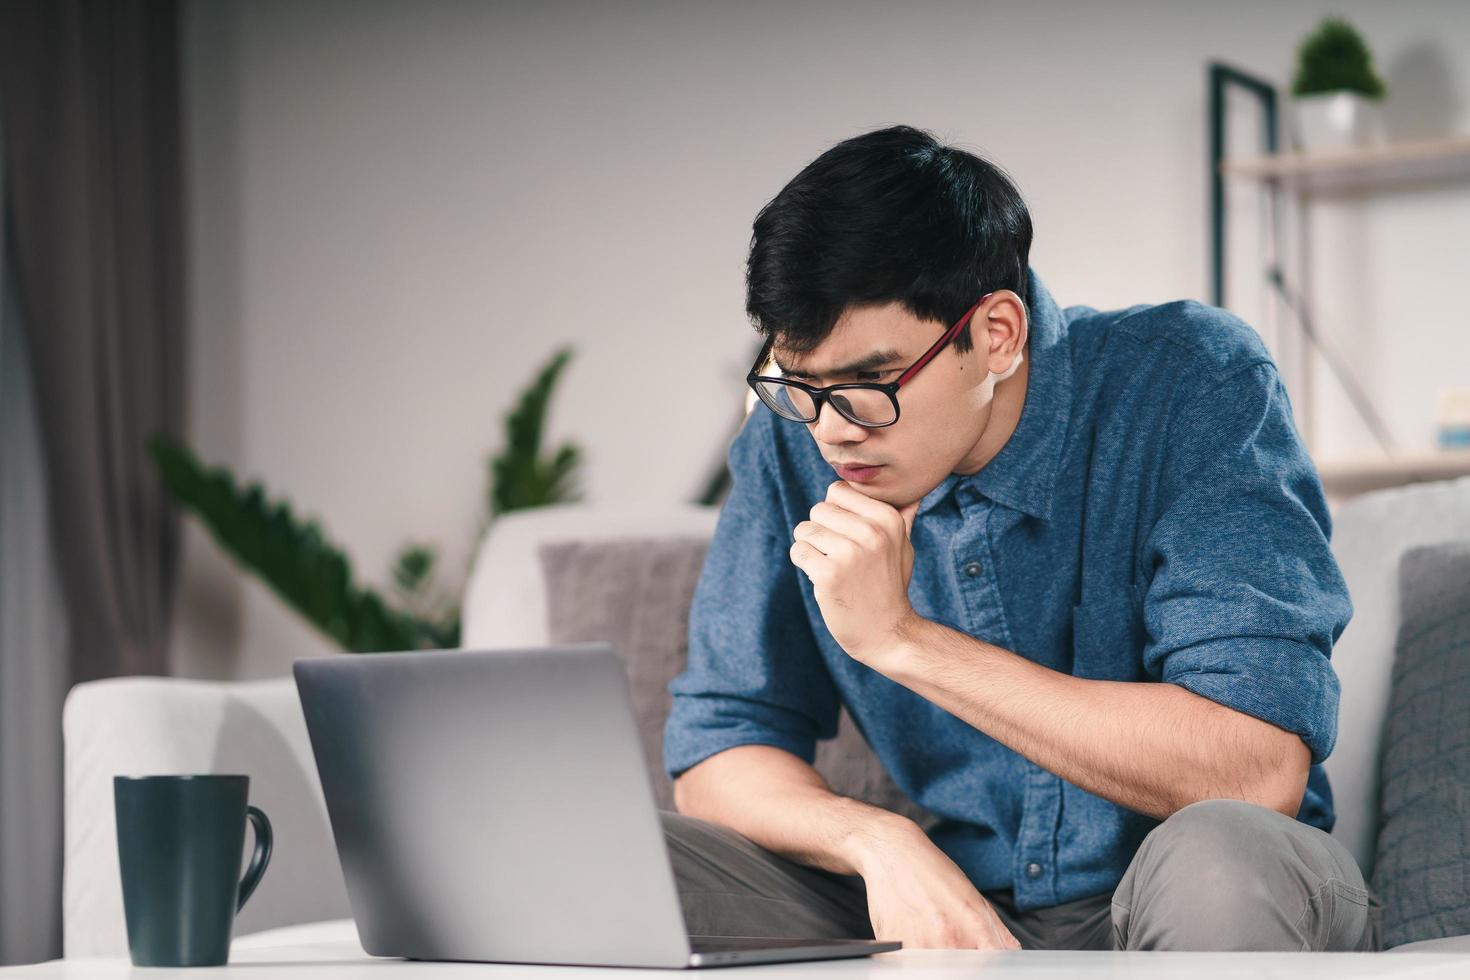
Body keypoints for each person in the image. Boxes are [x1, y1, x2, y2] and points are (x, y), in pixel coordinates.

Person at [660, 125, 1376, 952]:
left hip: (1198, 890)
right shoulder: (791, 442)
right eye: (802, 385)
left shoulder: (1192, 381)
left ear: (996, 334)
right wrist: (878, 844)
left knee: (1220, 857)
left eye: (867, 384)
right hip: (957, 901)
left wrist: (904, 641)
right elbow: (720, 748)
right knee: (638, 869)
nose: (831, 432)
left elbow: (1255, 770)